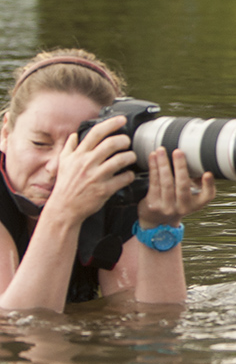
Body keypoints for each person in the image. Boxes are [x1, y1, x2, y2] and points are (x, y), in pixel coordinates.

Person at [0, 49, 216, 312]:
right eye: (40, 143)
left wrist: (160, 226)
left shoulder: (113, 187)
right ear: (5, 133)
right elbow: (14, 333)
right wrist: (65, 212)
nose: (59, 166)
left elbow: (156, 326)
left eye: (82, 148)